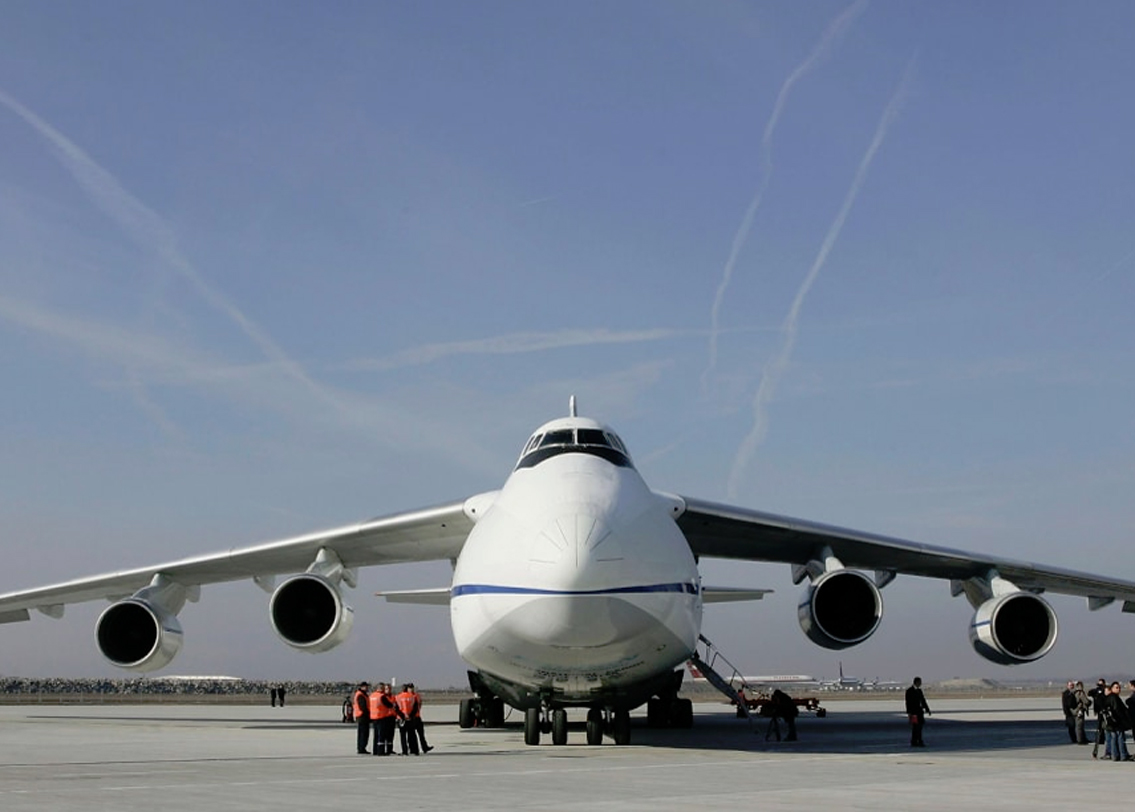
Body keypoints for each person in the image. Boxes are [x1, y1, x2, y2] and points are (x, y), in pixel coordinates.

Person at [1102, 681, 1133, 762]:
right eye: (1116, 687)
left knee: (1114, 738)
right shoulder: (1114, 698)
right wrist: (1123, 719)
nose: (1118, 689)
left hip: (1112, 722)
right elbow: (1117, 710)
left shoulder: (1110, 697)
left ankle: (1115, 755)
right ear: (1111, 689)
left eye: (1119, 687)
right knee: (1119, 738)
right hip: (1117, 722)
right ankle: (1122, 755)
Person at [905, 676, 930, 747]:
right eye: (920, 682)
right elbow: (908, 702)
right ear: (916, 682)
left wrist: (927, 709)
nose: (921, 683)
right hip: (913, 712)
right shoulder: (909, 691)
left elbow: (923, 700)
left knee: (920, 727)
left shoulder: (919, 691)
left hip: (919, 712)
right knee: (915, 727)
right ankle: (914, 741)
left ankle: (919, 740)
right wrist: (909, 713)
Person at [1090, 678, 1109, 759]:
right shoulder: (1096, 692)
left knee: (1108, 731)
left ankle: (1109, 751)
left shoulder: (1105, 692)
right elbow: (1090, 693)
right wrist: (1097, 690)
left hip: (1105, 713)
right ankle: (1096, 750)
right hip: (1099, 713)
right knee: (1099, 731)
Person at [352, 681, 371, 755]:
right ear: (361, 687)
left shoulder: (364, 695)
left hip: (363, 716)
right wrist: (369, 715)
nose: (366, 688)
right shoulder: (360, 695)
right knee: (363, 733)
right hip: (362, 716)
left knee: (363, 733)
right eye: (365, 687)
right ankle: (361, 748)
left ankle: (362, 747)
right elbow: (363, 707)